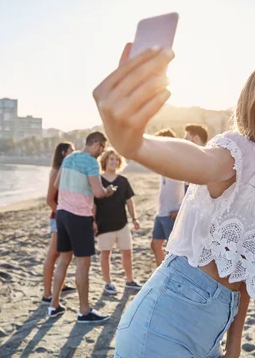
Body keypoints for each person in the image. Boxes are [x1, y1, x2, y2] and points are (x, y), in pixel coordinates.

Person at [93, 44, 255, 358]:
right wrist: (135, 145)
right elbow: (201, 162)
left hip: (209, 335)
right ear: (252, 104)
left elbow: (240, 276)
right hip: (162, 330)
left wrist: (235, 345)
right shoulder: (237, 151)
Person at [47, 131, 116, 324]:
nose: (102, 153)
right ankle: (84, 312)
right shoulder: (90, 162)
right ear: (96, 144)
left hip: (62, 214)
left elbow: (57, 183)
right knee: (83, 264)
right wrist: (108, 191)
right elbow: (98, 193)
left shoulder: (69, 158)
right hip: (79, 216)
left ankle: (53, 305)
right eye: (102, 148)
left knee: (64, 260)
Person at [94, 148, 142, 295]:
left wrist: (134, 218)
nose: (114, 162)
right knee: (105, 254)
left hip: (122, 224)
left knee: (127, 252)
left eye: (116, 160)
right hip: (104, 225)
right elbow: (93, 203)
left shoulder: (123, 181)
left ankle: (129, 281)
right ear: (105, 161)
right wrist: (93, 221)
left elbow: (129, 201)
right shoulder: (98, 180)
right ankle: (108, 283)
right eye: (111, 159)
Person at [42, 142, 75, 304]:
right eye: (71, 151)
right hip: (58, 218)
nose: (74, 153)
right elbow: (49, 199)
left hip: (62, 217)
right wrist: (62, 216)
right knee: (53, 255)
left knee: (64, 254)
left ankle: (60, 285)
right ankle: (47, 294)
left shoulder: (64, 171)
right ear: (63, 153)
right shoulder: (56, 172)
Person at [150, 128, 185, 267]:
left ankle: (173, 275)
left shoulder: (178, 163)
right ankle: (162, 274)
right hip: (161, 212)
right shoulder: (163, 163)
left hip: (172, 213)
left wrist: (181, 210)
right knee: (155, 245)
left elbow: (190, 189)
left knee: (174, 250)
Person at [183, 123, 209, 193]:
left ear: (196, 139)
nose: (184, 142)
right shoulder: (190, 163)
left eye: (186, 139)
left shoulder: (206, 165)